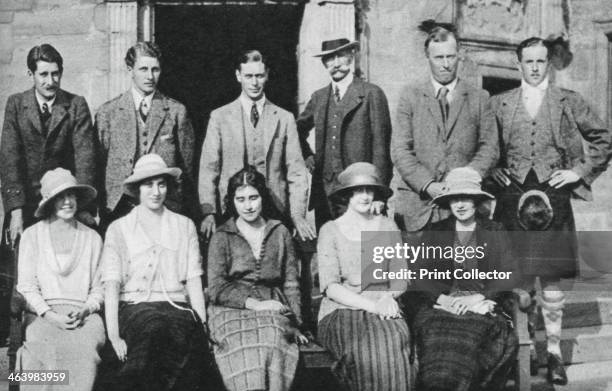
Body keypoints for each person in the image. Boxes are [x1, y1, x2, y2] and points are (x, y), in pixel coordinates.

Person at [488, 36, 612, 385]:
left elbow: (604, 139)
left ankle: (554, 353)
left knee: (553, 282)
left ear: (549, 64)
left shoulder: (568, 101)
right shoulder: (499, 104)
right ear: (518, 64)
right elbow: (484, 145)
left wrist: (578, 172)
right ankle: (523, 354)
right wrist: (491, 170)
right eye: (528, 61)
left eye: (541, 61)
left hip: (553, 195)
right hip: (512, 198)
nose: (535, 67)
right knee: (517, 280)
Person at [0, 43, 98, 370]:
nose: (50, 80)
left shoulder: (75, 105)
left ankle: (66, 357)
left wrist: (82, 206)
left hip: (64, 198)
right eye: (43, 74)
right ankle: (19, 360)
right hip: (27, 207)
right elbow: (10, 158)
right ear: (31, 74)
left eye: (55, 73)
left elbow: (85, 156)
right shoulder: (16, 105)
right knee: (21, 286)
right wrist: (15, 210)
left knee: (64, 278)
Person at [100, 154, 216, 391]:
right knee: (154, 328)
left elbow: (193, 278)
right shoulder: (119, 228)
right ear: (137, 189)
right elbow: (111, 285)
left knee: (189, 336)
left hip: (175, 305)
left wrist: (202, 322)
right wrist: (113, 335)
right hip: (134, 307)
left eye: (161, 184)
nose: (156, 192)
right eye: (148, 184)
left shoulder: (184, 226)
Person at [404, 167, 519, 391]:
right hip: (442, 308)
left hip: (482, 309)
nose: (460, 204)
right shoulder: (437, 231)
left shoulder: (494, 230)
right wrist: (442, 299)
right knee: (436, 340)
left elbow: (510, 271)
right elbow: (420, 275)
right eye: (455, 199)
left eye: (466, 198)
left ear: (476, 200)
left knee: (470, 342)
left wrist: (480, 297)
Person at [389, 22, 498, 233]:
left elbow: (489, 148)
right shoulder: (410, 96)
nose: (446, 64)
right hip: (418, 209)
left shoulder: (479, 97)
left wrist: (462, 184)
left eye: (451, 56)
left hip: (463, 209)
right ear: (428, 58)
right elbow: (401, 150)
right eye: (439, 58)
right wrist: (428, 185)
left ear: (460, 55)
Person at [207, 165, 308, 391]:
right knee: (242, 347)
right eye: (240, 199)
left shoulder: (279, 232)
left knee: (271, 339)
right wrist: (255, 305)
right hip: (230, 309)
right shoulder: (222, 235)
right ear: (232, 201)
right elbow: (216, 288)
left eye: (253, 197)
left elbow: (291, 283)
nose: (248, 205)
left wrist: (297, 323)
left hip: (273, 305)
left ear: (263, 198)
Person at [316, 162, 415, 391]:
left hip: (384, 303)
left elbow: (400, 276)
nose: (364, 196)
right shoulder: (330, 230)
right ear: (348, 195)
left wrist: (388, 297)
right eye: (358, 190)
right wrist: (372, 307)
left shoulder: (387, 227)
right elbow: (331, 287)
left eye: (369, 190)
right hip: (341, 311)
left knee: (395, 341)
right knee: (363, 351)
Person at [199, 49, 313, 241]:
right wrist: (208, 211)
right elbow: (209, 168)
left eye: (259, 76)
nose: (254, 82)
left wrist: (298, 215)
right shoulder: (220, 117)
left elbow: (297, 171)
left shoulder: (284, 118)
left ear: (267, 75)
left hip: (275, 210)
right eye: (248, 76)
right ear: (238, 76)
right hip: (232, 210)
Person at [16, 168, 105, 391]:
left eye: (71, 195)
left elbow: (99, 288)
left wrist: (86, 309)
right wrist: (49, 315)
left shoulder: (92, 238)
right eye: (60, 197)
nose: (67, 202)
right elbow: (26, 286)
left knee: (82, 350)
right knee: (43, 350)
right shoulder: (32, 236)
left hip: (83, 316)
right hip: (43, 314)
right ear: (49, 201)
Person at [96, 42, 199, 229]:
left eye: (155, 69)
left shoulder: (176, 111)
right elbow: (99, 165)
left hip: (165, 206)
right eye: (143, 69)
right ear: (130, 70)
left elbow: (187, 170)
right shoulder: (108, 113)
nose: (150, 76)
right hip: (119, 208)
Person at [296, 38, 392, 228]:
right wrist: (308, 155)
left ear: (351, 57)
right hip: (325, 192)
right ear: (324, 63)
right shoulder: (319, 97)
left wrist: (379, 195)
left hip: (361, 192)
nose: (336, 63)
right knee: (329, 247)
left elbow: (381, 149)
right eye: (330, 58)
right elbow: (295, 130)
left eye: (341, 56)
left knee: (363, 251)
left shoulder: (371, 94)